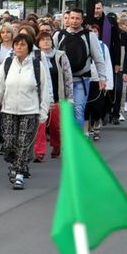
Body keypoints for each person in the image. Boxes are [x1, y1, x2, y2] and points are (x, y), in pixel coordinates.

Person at [0, 33, 49, 190]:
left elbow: (45, 90)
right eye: (16, 44)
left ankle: (18, 174)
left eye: (22, 45)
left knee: (24, 143)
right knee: (9, 144)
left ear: (29, 48)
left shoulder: (37, 65)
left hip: (30, 110)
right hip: (9, 110)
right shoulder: (8, 63)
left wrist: (43, 112)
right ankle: (15, 164)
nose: (18, 47)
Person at [53, 8, 107, 128]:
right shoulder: (58, 35)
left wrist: (102, 77)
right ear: (67, 19)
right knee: (65, 111)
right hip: (63, 81)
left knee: (78, 109)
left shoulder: (90, 36)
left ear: (82, 20)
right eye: (72, 18)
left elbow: (98, 58)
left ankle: (76, 140)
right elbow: (52, 57)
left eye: (78, 18)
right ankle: (67, 139)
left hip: (81, 80)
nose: (74, 21)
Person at [33, 31, 73, 161]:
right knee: (41, 125)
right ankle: (40, 152)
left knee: (56, 126)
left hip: (57, 97)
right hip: (39, 99)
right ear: (38, 43)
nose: (46, 42)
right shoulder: (35, 57)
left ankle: (57, 145)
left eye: (48, 39)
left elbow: (68, 77)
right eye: (42, 40)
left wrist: (69, 97)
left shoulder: (61, 56)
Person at [84, 25, 114, 141]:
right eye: (90, 31)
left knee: (96, 107)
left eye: (95, 31)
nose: (93, 33)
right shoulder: (83, 44)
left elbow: (107, 65)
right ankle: (85, 130)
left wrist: (107, 83)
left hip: (98, 81)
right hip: (85, 80)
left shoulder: (102, 47)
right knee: (85, 107)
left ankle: (97, 123)